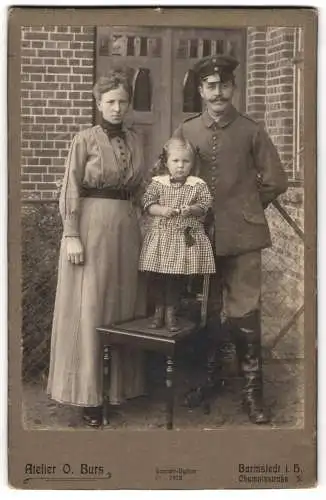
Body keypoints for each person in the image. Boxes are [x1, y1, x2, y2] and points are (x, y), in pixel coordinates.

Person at [174, 54, 288, 424]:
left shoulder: (252, 130)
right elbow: (170, 175)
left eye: (224, 85)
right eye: (211, 85)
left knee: (245, 313)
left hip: (242, 236)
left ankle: (253, 394)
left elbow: (275, 180)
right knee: (204, 311)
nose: (218, 92)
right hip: (199, 237)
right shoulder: (187, 132)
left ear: (233, 88)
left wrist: (246, 207)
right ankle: (210, 379)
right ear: (202, 91)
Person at [47, 70, 147, 427]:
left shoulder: (137, 140)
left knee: (121, 307)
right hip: (90, 227)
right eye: (110, 101)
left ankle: (115, 390)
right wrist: (71, 233)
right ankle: (88, 395)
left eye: (122, 101)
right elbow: (70, 186)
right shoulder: (84, 139)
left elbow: (141, 189)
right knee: (89, 307)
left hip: (126, 229)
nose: (117, 107)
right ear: (98, 103)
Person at [139, 137, 216, 332]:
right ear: (166, 162)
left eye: (185, 161)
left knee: (176, 277)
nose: (180, 166)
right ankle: (158, 312)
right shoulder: (158, 183)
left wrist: (191, 209)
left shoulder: (197, 185)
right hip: (162, 237)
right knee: (157, 276)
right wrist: (162, 210)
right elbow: (147, 204)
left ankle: (172, 313)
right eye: (175, 161)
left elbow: (205, 205)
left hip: (184, 238)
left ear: (192, 164)